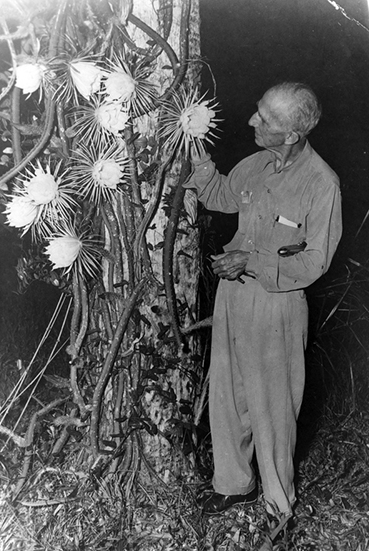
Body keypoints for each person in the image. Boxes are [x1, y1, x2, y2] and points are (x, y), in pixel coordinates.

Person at [184, 82, 342, 517]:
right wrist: (198, 155)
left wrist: (251, 260)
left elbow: (315, 262)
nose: (252, 121)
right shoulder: (255, 163)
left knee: (273, 406)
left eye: (265, 120)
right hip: (233, 297)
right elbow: (220, 196)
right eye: (258, 111)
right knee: (229, 393)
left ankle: (278, 506)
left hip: (279, 304)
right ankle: (235, 484)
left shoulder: (321, 183)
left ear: (291, 135)